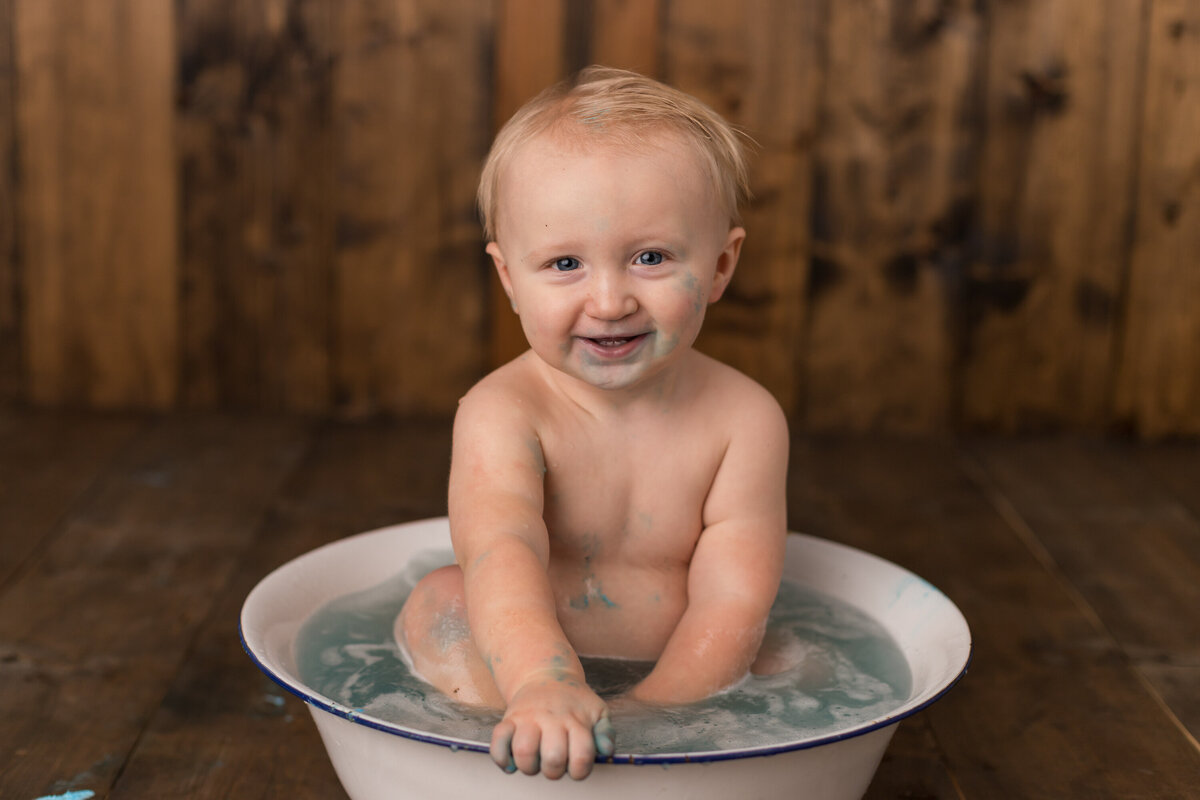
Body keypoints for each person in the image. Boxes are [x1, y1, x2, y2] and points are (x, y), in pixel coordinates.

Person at [394, 65, 789, 781]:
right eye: (565, 263)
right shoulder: (504, 411)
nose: (610, 301)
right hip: (516, 665)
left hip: (677, 668)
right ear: (510, 278)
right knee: (439, 601)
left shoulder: (745, 420)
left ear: (722, 263)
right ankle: (505, 741)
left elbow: (735, 594)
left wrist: (655, 712)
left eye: (650, 257)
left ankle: (644, 748)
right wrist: (539, 682)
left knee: (783, 651)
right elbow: (502, 548)